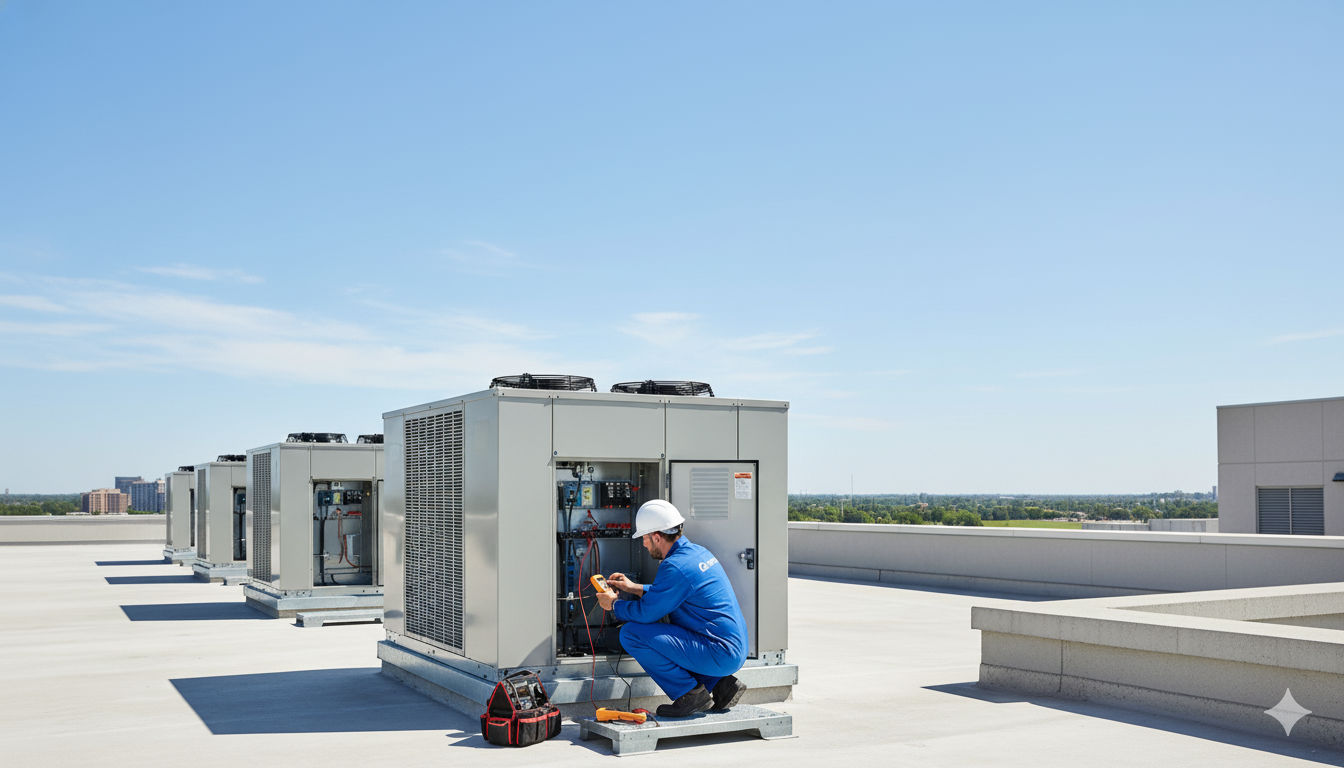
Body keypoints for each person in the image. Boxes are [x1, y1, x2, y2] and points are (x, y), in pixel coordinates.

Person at [595, 499, 749, 717]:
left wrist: (613, 605)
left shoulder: (674, 565)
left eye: (645, 539)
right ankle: (720, 685)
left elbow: (647, 613)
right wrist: (634, 587)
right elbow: (672, 592)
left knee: (631, 634)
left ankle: (689, 694)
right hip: (734, 648)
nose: (644, 544)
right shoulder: (697, 553)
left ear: (656, 537)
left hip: (720, 652)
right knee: (678, 631)